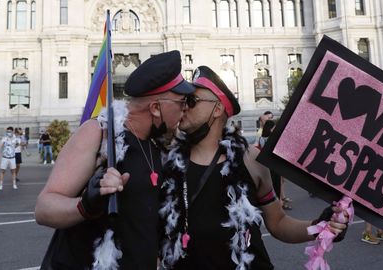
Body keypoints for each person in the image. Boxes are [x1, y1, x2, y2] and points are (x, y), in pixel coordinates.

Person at [159, 66, 349, 269]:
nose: (184, 107)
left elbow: (278, 223)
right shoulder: (167, 161)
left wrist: (321, 226)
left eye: (192, 101)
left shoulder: (251, 159)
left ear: (217, 109)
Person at [35, 50, 195, 269]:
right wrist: (86, 205)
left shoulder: (159, 147)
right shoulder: (99, 133)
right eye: (182, 102)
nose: (185, 109)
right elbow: (44, 209)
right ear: (156, 108)